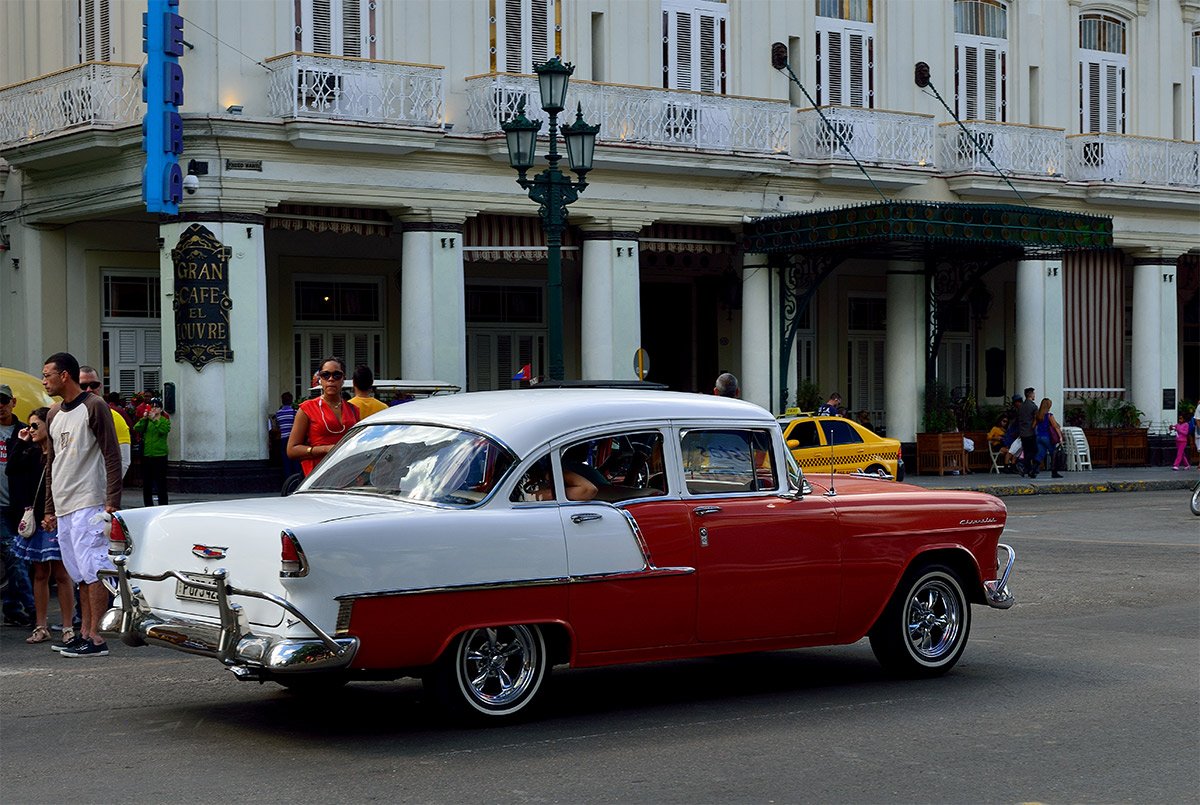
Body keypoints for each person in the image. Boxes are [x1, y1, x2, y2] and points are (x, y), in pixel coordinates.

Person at [41, 352, 123, 658]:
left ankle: (95, 636)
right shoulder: (53, 414)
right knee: (79, 573)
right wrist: (49, 508)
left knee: (94, 570)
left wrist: (112, 501)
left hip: (89, 501)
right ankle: (83, 632)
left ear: (65, 375)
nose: (44, 380)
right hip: (63, 505)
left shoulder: (94, 405)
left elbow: (112, 455)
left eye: (48, 374)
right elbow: (52, 463)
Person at [8, 407, 75, 645]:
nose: (31, 430)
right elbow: (11, 469)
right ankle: (41, 625)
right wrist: (21, 442)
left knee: (62, 573)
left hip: (58, 518)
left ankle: (68, 626)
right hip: (37, 520)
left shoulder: (61, 453)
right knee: (40, 573)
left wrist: (56, 513)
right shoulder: (30, 452)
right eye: (29, 425)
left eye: (36, 425)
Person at [0, 384, 36, 626]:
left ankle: (12, 608)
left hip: (19, 506)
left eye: (3, 401)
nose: (0, 407)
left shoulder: (25, 432)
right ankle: (33, 608)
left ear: (13, 402)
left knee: (22, 556)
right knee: (14, 554)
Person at [288, 357, 360, 477]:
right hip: (319, 475)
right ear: (320, 379)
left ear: (343, 379)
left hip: (348, 474)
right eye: (325, 375)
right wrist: (325, 449)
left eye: (336, 375)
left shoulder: (353, 410)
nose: (331, 379)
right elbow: (292, 450)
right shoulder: (307, 409)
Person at [79, 366, 131, 479]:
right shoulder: (66, 415)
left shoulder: (115, 417)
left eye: (94, 385)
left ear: (100, 385)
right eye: (83, 386)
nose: (89, 389)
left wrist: (105, 490)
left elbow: (124, 461)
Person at [133, 396, 171, 506]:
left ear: (161, 409)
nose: (154, 409)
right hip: (147, 455)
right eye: (152, 407)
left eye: (156, 407)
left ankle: (163, 504)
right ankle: (148, 504)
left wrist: (155, 420)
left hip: (160, 455)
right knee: (147, 482)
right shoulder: (147, 421)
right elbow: (137, 428)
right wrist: (144, 419)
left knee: (161, 482)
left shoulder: (164, 420)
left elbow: (163, 430)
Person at [272, 392, 301, 479]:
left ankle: (287, 478)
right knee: (295, 459)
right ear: (291, 400)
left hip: (283, 438)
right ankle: (296, 478)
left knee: (285, 460)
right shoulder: (295, 412)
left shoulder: (278, 413)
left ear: (282, 401)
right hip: (293, 438)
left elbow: (277, 426)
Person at [1035, 397, 1065, 479]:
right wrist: (1060, 437)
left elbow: (1033, 426)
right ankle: (1054, 472)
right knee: (1053, 453)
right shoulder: (1049, 415)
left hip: (1039, 437)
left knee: (1040, 453)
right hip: (1047, 437)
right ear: (1048, 406)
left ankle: (1033, 470)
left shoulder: (1038, 415)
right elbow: (1055, 427)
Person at [1017, 387, 1039, 478]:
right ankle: (1025, 466)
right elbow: (1036, 418)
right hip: (1030, 432)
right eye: (1033, 394)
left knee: (1026, 451)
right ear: (1030, 394)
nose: (1034, 395)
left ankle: (1027, 468)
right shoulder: (1033, 406)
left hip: (1022, 432)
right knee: (1034, 451)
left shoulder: (1021, 406)